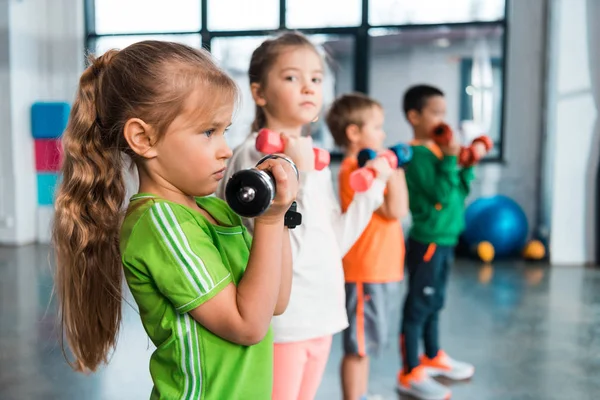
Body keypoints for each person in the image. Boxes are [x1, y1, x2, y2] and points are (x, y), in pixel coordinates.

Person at [52, 40, 298, 400]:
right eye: (207, 132)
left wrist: (277, 212)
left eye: (225, 130)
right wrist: (270, 222)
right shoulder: (161, 225)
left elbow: (275, 300)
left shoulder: (215, 210)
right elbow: (247, 326)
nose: (226, 148)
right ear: (143, 138)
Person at [217, 32, 393, 400]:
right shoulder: (253, 157)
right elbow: (271, 234)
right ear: (260, 93)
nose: (308, 87)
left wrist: (371, 194)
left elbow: (333, 243)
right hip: (284, 318)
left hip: (322, 312)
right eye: (291, 77)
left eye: (315, 78)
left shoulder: (314, 158)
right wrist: (299, 172)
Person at [398, 84, 490, 400]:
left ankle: (432, 355)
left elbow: (458, 193)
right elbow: (437, 195)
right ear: (414, 116)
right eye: (435, 113)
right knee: (418, 305)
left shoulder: (439, 152)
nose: (442, 119)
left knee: (435, 302)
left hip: (447, 238)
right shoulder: (417, 155)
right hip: (428, 242)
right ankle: (409, 371)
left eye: (443, 113)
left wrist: (468, 164)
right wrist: (450, 161)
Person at [326, 93, 409, 400]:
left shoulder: (370, 169)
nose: (383, 134)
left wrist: (389, 167)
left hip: (381, 270)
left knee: (366, 346)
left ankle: (359, 395)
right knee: (358, 348)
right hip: (366, 271)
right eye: (377, 127)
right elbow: (396, 210)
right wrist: (394, 168)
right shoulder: (355, 170)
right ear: (354, 133)